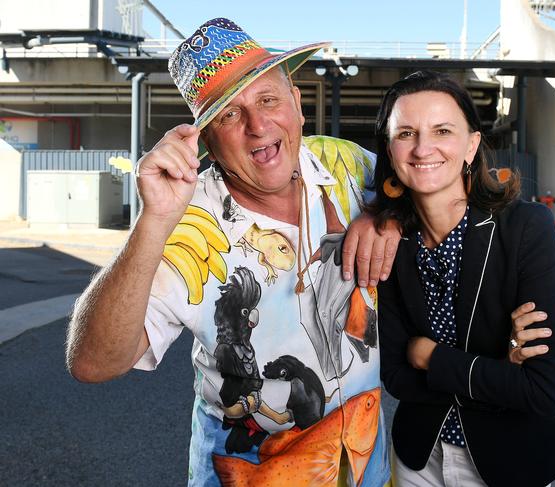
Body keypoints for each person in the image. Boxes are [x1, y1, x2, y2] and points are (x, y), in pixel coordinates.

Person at [65, 17, 397, 486]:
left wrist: (388, 212)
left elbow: (429, 188)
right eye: (229, 114)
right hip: (248, 472)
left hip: (364, 463)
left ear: (297, 105)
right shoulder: (188, 225)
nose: (258, 126)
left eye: (267, 99)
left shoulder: (345, 165)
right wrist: (153, 220)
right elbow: (92, 363)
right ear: (206, 143)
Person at [369, 71, 555, 487]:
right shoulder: (390, 241)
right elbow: (396, 375)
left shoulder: (526, 228)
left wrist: (430, 357)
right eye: (406, 133)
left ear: (471, 145)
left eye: (443, 130)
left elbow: (544, 390)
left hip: (509, 458)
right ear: (390, 149)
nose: (422, 147)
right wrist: (498, 374)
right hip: (420, 459)